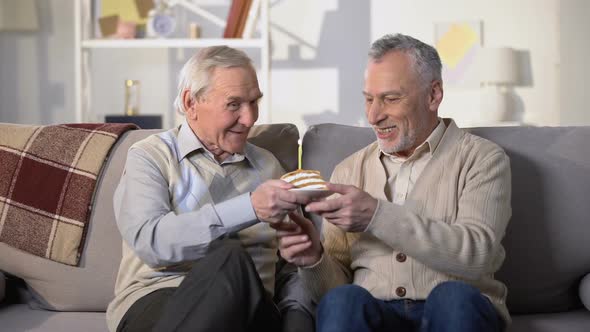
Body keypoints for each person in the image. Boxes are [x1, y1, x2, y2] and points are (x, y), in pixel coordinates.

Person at [275, 33, 512, 332]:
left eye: (391, 98)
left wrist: (376, 215)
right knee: (342, 301)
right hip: (375, 313)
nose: (374, 116)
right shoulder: (349, 170)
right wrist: (313, 259)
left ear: (433, 95)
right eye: (369, 99)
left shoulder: (482, 158)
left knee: (453, 298)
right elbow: (332, 291)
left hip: (455, 313)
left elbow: (479, 253)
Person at [106, 46, 313, 332]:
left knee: (234, 264)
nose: (250, 118)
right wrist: (251, 207)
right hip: (160, 300)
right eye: (234, 104)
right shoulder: (151, 156)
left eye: (254, 102)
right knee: (229, 256)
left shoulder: (269, 167)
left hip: (252, 310)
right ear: (191, 102)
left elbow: (292, 266)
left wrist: (297, 318)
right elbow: (151, 241)